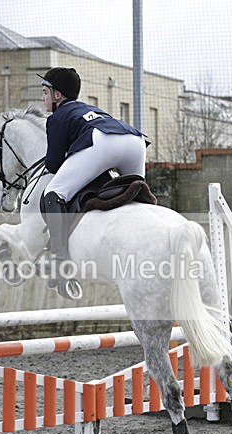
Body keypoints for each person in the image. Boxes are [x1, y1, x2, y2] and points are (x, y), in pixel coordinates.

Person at [38, 67, 147, 291]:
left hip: (103, 142)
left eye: (46, 92)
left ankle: (60, 263)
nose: (43, 97)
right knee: (138, 195)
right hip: (135, 141)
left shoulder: (57, 117)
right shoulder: (90, 109)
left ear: (57, 95)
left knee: (53, 194)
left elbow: (53, 164)